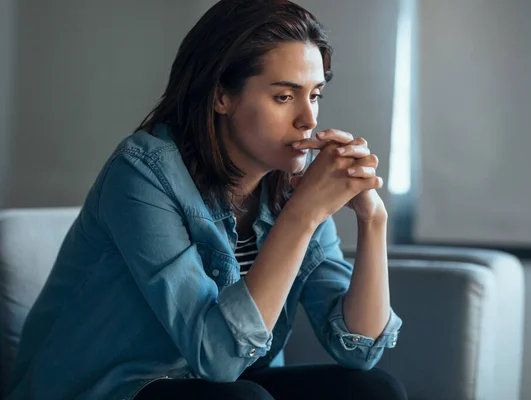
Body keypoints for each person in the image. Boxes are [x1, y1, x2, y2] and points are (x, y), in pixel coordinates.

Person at [5, 0, 406, 399]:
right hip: (110, 388)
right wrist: (303, 216)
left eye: (315, 95)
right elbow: (217, 356)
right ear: (221, 97)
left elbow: (358, 351)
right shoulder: (142, 175)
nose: (309, 118)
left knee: (374, 389)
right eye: (284, 97)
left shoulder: (293, 187)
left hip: (220, 386)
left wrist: (372, 220)